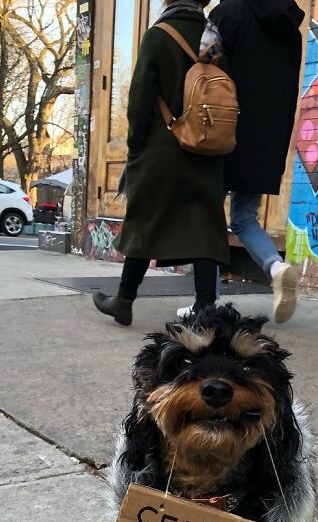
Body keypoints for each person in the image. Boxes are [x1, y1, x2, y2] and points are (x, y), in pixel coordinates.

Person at [93, 0, 229, 327]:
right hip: (205, 147)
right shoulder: (214, 38)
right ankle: (205, 308)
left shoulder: (159, 35)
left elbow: (140, 97)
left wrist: (135, 146)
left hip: (160, 148)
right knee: (205, 226)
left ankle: (124, 301)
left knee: (144, 221)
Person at [209, 0, 304, 323]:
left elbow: (205, 64)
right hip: (266, 139)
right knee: (243, 218)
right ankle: (276, 267)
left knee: (206, 217)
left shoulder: (228, 13)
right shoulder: (289, 25)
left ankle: (206, 303)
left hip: (223, 130)